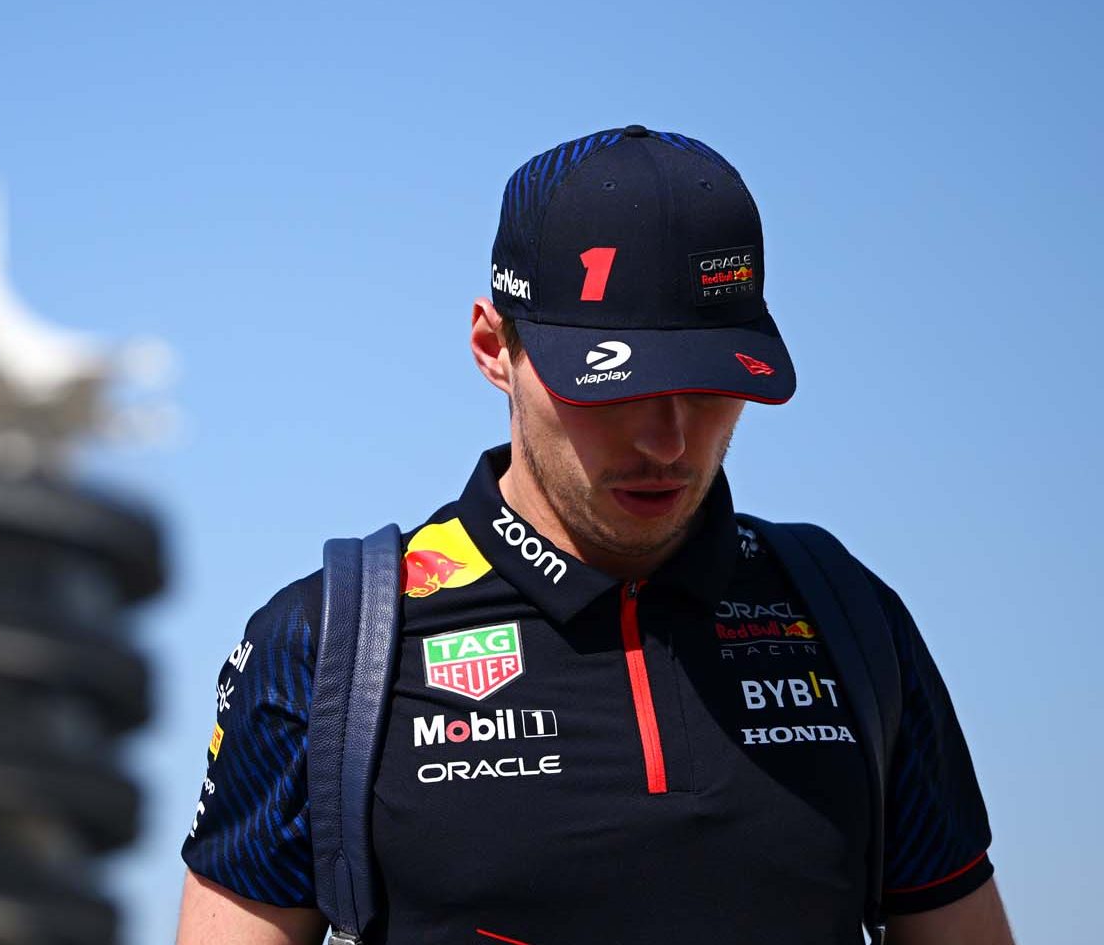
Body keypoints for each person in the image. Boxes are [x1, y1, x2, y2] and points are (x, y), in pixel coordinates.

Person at [174, 126, 1012, 944]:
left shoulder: (849, 617)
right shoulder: (328, 646)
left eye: (710, 385)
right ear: (493, 346)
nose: (668, 441)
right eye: (611, 386)